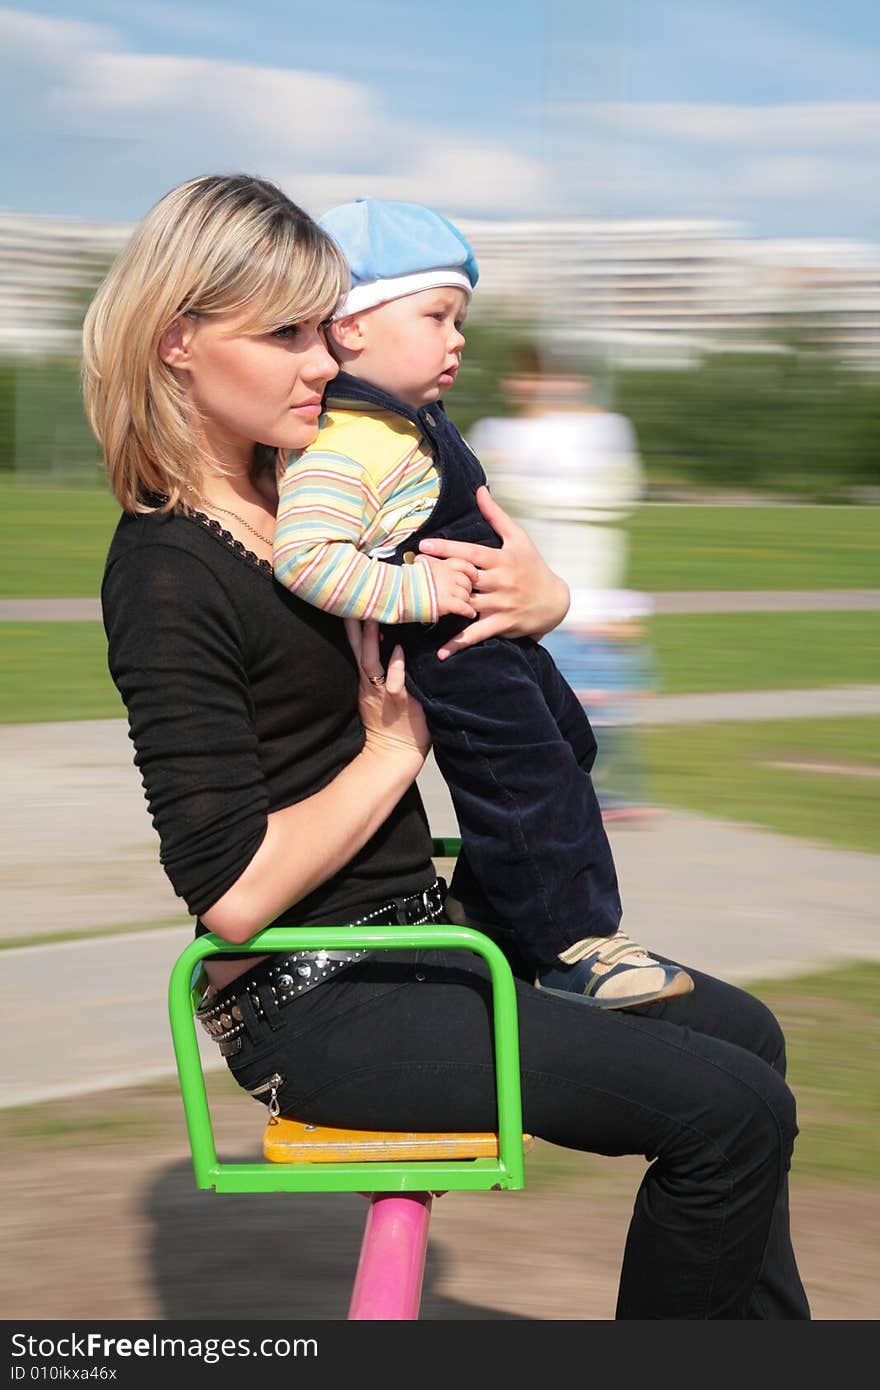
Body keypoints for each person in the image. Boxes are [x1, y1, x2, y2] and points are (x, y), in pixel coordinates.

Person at [84, 173, 810, 1319]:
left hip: (429, 937)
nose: (321, 363)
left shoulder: (317, 490)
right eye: (283, 335)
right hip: (315, 1000)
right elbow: (227, 895)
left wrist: (547, 597)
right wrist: (387, 756)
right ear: (177, 341)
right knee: (729, 1114)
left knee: (742, 1036)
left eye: (322, 330)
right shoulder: (166, 572)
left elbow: (494, 562)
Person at [272, 197, 686, 1009]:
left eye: (460, 319)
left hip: (491, 637)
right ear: (351, 326)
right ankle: (575, 945)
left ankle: (489, 906)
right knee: (529, 778)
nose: (457, 338)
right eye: (436, 315)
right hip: (445, 654)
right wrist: (415, 589)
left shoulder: (413, 424)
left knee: (569, 745)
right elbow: (306, 556)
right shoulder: (347, 444)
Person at [470, 343, 656, 819]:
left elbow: (615, 495)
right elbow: (487, 496)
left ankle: (588, 797)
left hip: (587, 600)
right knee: (538, 707)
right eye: (525, 377)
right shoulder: (497, 432)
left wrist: (528, 488)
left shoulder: (603, 429)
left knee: (589, 709)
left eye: (546, 377)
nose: (534, 387)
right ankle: (565, 797)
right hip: (529, 596)